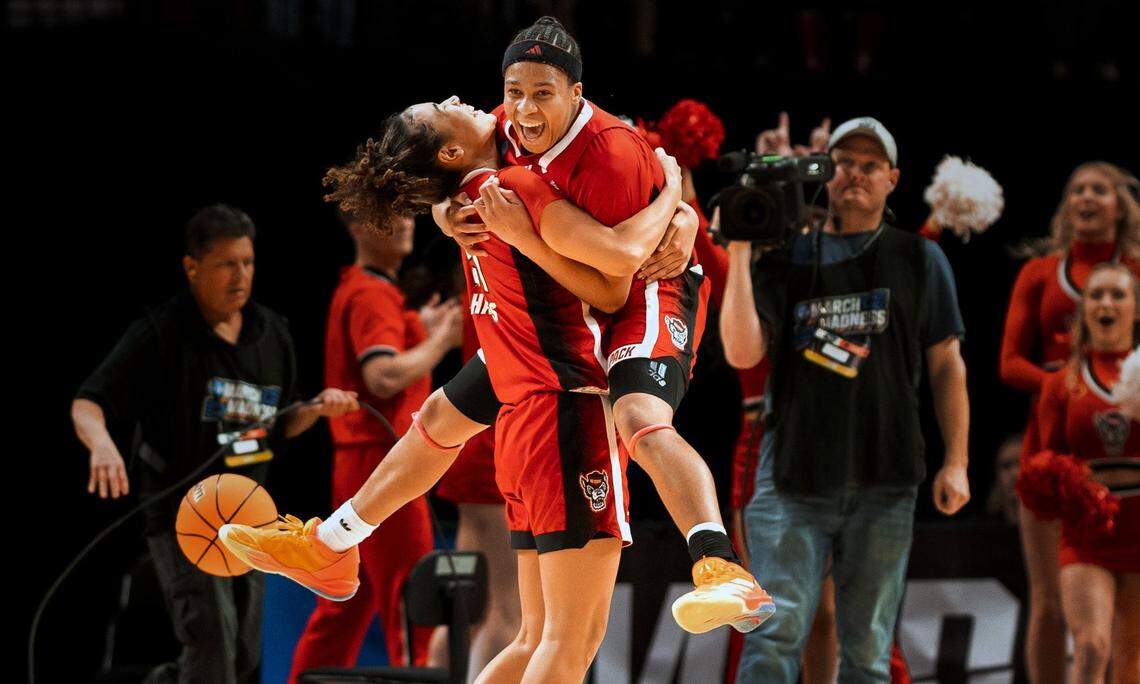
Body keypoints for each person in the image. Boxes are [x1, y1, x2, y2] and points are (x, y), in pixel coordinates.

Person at [221, 90, 699, 683]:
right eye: (442, 107)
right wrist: (674, 196)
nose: (458, 97)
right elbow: (614, 277)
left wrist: (443, 211)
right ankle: (716, 555)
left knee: (527, 628)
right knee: (566, 643)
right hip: (563, 403)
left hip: (517, 391)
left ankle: (334, 536)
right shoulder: (514, 186)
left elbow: (459, 182)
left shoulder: (481, 177)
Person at [435, 16, 770, 635]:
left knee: (637, 415)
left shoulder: (611, 149)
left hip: (648, 286)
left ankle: (723, 567)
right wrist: (442, 213)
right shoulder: (505, 123)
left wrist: (678, 207)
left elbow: (618, 271)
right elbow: (443, 167)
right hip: (576, 301)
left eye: (541, 94)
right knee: (441, 414)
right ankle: (335, 538)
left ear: (576, 93)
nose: (524, 110)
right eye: (514, 92)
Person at [720, 117, 971, 683]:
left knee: (868, 650)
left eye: (870, 165)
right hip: (792, 479)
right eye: (844, 163)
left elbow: (947, 365)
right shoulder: (787, 257)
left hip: (886, 478)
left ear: (892, 179)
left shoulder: (919, 258)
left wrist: (957, 460)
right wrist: (739, 251)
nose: (855, 174)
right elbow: (741, 353)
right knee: (772, 638)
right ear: (824, 172)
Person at [71, 204, 358, 684]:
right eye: (226, 264)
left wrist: (314, 410)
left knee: (243, 652)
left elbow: (282, 423)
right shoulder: (163, 333)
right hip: (186, 514)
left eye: (247, 262)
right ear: (192, 267)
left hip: (250, 513)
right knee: (211, 639)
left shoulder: (272, 333)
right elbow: (88, 401)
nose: (240, 276)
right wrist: (101, 443)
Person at [287, 213, 463, 681]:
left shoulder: (369, 288)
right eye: (388, 215)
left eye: (405, 213)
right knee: (413, 599)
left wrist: (420, 328)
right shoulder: (372, 294)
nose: (404, 223)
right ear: (357, 226)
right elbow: (382, 376)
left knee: (344, 605)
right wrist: (442, 340)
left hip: (358, 462)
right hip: (383, 465)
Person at [1000, 161, 1140, 684]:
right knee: (1050, 600)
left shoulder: (1136, 270)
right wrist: (1069, 388)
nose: (1087, 197)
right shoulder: (1040, 272)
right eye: (1077, 189)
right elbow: (1009, 362)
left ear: (1120, 205)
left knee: (1128, 639)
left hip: (1126, 445)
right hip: (1057, 443)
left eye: (1099, 189)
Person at [1034, 262, 1139, 684]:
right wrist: (1062, 486)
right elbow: (1043, 462)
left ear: (1136, 308)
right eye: (1096, 295)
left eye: (1118, 294)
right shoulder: (1062, 383)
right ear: (1083, 309)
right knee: (1092, 645)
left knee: (1131, 661)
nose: (1106, 303)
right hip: (1087, 535)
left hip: (1139, 528)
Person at [427, 292, 519, 679]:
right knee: (510, 611)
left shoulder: (478, 286)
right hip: (495, 454)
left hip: (476, 449)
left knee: (469, 608)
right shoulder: (514, 284)